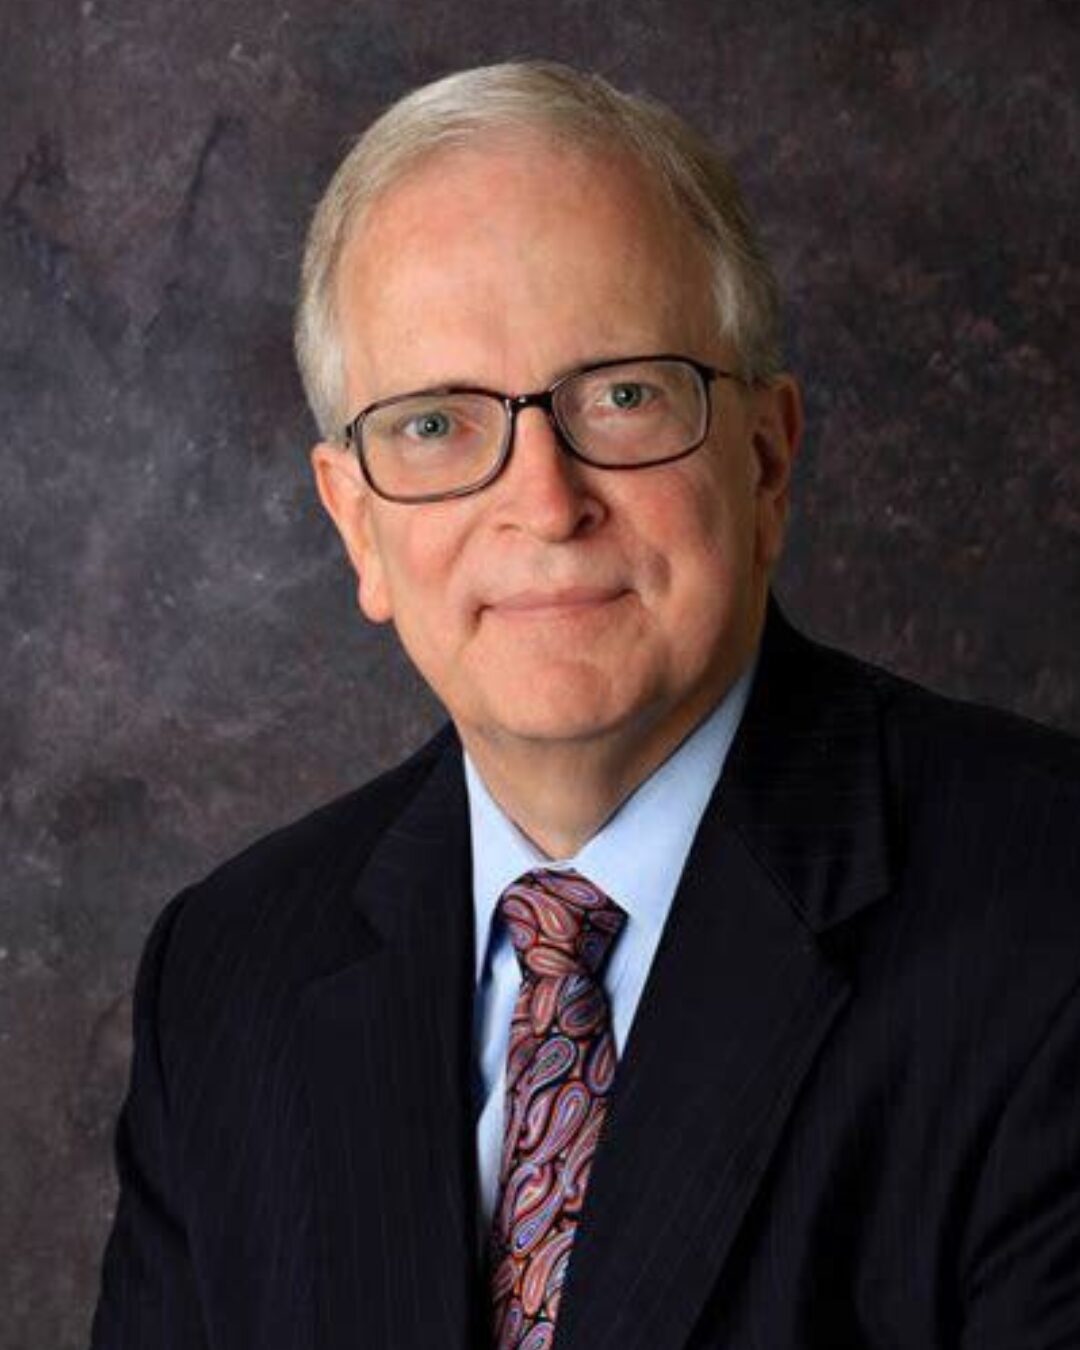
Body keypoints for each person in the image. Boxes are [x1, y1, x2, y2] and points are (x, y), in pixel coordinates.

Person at [90, 61, 1080, 1350]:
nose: (545, 503)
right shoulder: (229, 980)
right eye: (436, 424)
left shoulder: (1046, 912)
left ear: (767, 460)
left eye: (621, 395)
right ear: (358, 526)